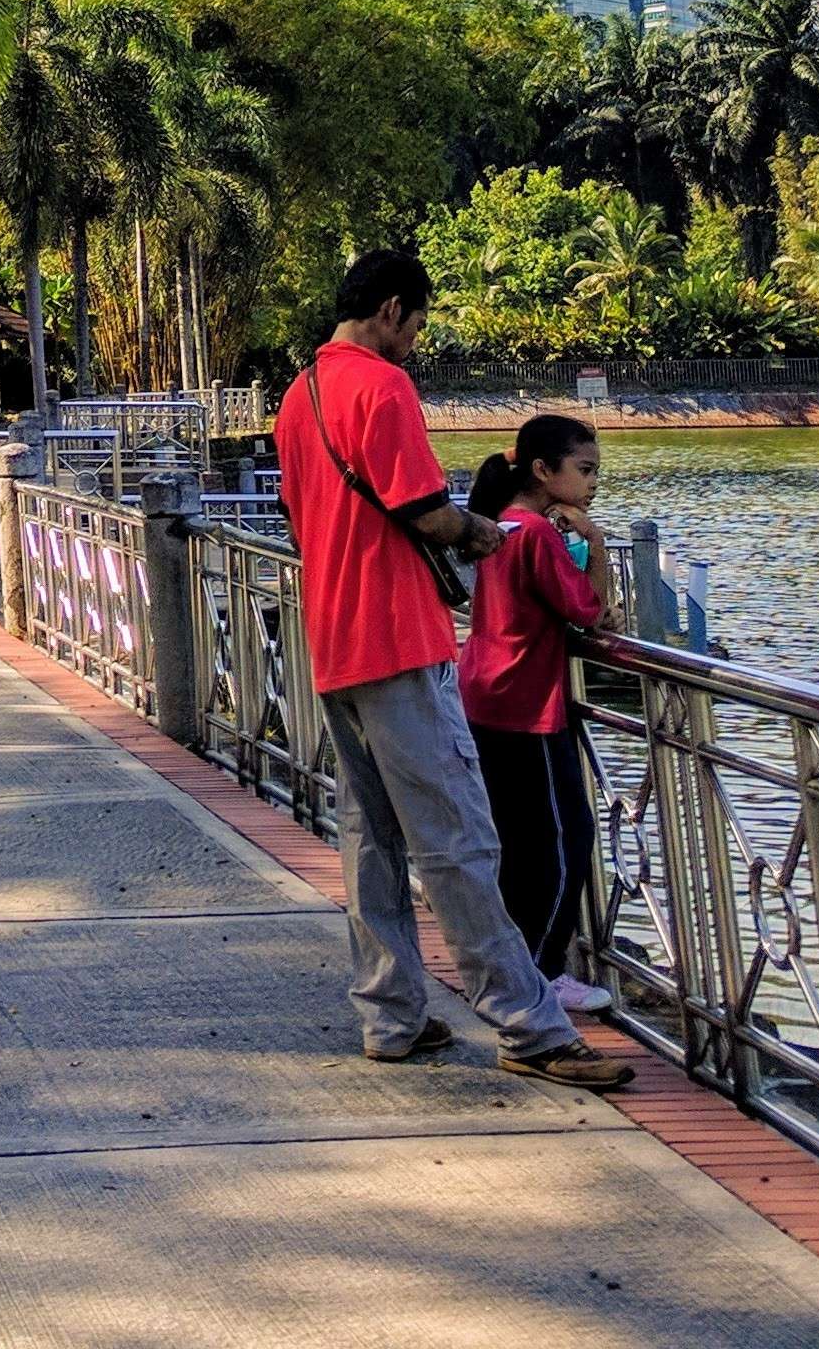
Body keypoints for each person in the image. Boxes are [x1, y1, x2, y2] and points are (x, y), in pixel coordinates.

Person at [270, 249, 631, 1090]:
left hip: (332, 638)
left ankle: (391, 1014)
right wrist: (484, 534)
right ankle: (529, 1024)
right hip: (398, 636)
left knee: (371, 839)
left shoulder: (300, 393)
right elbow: (425, 511)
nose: (416, 341)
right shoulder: (382, 386)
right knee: (459, 839)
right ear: (393, 309)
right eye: (419, 324)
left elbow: (298, 515)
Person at [465, 415, 615, 1017]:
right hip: (525, 705)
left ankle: (512, 965)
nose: (592, 482)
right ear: (542, 470)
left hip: (487, 693)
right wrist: (595, 544)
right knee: (564, 840)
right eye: (584, 469)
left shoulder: (501, 525)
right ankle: (543, 970)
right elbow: (589, 609)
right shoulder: (534, 534)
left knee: (515, 841)